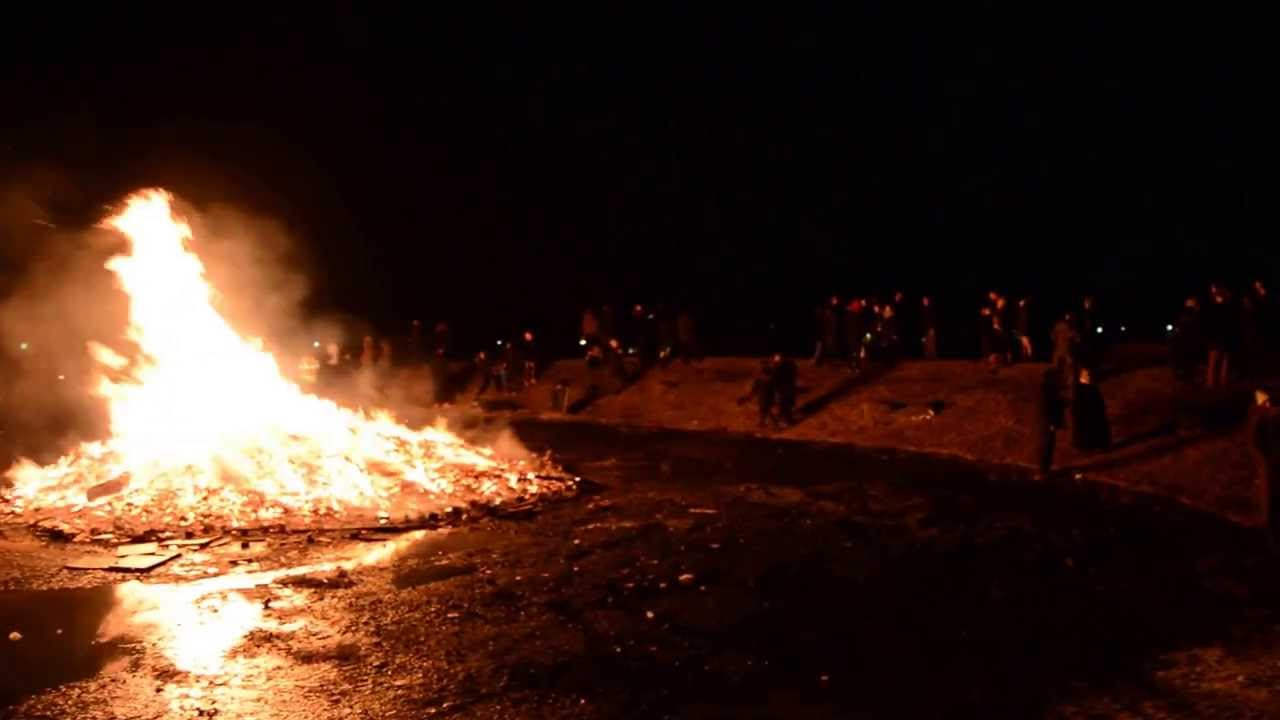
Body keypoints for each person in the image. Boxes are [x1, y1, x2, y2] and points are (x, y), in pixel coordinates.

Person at [1248, 389, 1280, 536]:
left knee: (1270, 494)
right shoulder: (1263, 419)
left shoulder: (1268, 419)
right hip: (1269, 462)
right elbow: (1255, 441)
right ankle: (1268, 522)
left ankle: (1269, 522)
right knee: (1269, 493)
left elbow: (1255, 440)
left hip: (1271, 461)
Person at [1035, 368, 1066, 480]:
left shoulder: (1048, 389)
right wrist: (1051, 423)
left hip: (1047, 422)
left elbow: (1055, 403)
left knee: (1049, 445)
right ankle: (1043, 471)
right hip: (1047, 423)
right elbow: (1047, 407)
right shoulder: (1046, 390)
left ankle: (1045, 470)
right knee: (1047, 445)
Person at [1071, 367, 1112, 452]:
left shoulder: (1092, 388)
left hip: (1094, 411)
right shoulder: (1080, 389)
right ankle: (1087, 445)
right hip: (1085, 412)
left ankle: (1099, 444)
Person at [1205, 284, 1235, 389]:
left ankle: (1213, 383)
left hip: (1219, 340)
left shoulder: (1218, 309)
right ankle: (1218, 383)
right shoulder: (1227, 308)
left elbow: (1212, 325)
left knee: (1216, 363)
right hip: (1223, 340)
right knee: (1222, 363)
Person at [1171, 297, 1204, 384]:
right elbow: (1179, 325)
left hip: (1189, 341)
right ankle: (1183, 374)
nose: (1189, 305)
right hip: (1183, 340)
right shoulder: (1186, 314)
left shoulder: (1194, 314)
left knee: (1189, 360)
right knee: (1184, 359)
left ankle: (1187, 375)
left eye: (1190, 303)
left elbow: (1196, 326)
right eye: (1188, 303)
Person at [1051, 313, 1079, 393]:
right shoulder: (1070, 328)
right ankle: (1068, 386)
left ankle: (1058, 385)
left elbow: (1052, 337)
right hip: (1066, 350)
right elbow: (1076, 339)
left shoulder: (1057, 326)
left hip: (1058, 350)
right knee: (1068, 369)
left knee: (1057, 368)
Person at [771, 353, 798, 427]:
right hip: (781, 389)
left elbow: (791, 377)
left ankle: (786, 419)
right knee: (782, 404)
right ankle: (784, 417)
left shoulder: (786, 367)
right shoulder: (778, 367)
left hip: (785, 389)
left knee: (785, 404)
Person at [814, 296, 842, 366]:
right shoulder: (826, 310)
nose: (835, 302)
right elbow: (823, 321)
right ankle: (818, 360)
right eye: (834, 300)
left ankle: (820, 360)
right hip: (822, 332)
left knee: (823, 346)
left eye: (835, 300)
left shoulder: (832, 310)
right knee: (820, 346)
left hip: (826, 332)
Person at [845, 298, 867, 371]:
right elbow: (848, 327)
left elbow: (861, 326)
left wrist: (863, 336)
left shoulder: (859, 314)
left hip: (857, 337)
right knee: (852, 353)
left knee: (856, 353)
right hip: (852, 336)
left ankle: (856, 366)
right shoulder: (850, 314)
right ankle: (851, 367)